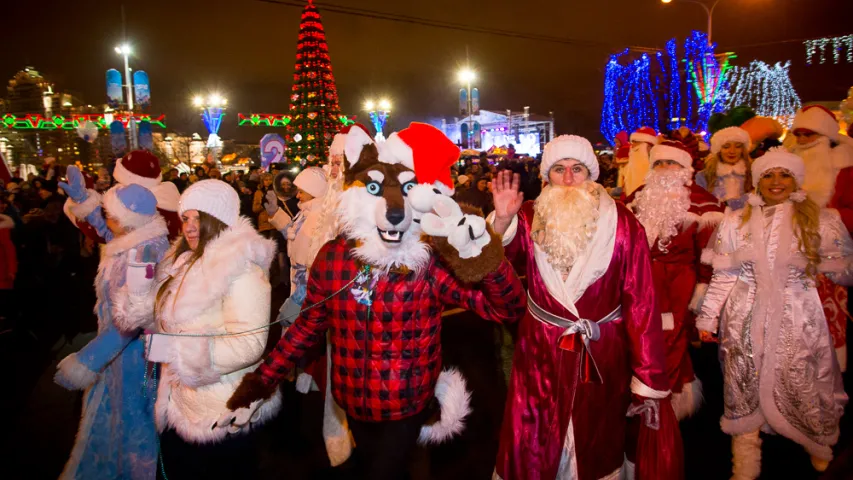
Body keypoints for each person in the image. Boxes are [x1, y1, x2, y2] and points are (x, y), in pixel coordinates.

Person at [222, 123, 527, 480]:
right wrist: (262, 381)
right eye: (376, 190)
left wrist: (484, 252)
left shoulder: (426, 261)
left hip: (408, 403)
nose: (392, 207)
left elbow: (506, 308)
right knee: (372, 465)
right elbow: (307, 326)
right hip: (353, 400)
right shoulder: (335, 258)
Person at [490, 135, 682, 480]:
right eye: (559, 169)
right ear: (546, 176)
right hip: (539, 350)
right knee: (533, 433)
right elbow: (500, 258)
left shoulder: (624, 224)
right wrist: (502, 221)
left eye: (576, 169)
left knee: (596, 435)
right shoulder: (531, 215)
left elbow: (641, 304)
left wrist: (649, 377)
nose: (567, 178)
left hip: (601, 352)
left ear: (590, 175)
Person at [696, 148, 853, 479]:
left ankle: (816, 440)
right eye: (768, 175)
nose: (776, 182)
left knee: (806, 377)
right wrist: (707, 317)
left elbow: (844, 270)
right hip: (743, 317)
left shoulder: (820, 221)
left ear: (796, 179)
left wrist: (824, 263)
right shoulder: (735, 221)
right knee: (742, 380)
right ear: (757, 181)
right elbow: (724, 275)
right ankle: (745, 458)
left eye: (784, 174)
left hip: (798, 316)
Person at [121, 179, 282, 480]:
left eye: (199, 218)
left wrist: (178, 351)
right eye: (185, 218)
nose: (190, 227)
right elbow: (161, 322)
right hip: (182, 405)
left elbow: (249, 345)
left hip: (223, 414)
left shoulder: (242, 270)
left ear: (219, 220)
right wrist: (139, 291)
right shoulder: (181, 262)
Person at [54, 184, 170, 480]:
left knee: (134, 427)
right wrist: (85, 202)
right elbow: (108, 234)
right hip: (116, 355)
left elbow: (133, 320)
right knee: (110, 421)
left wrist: (88, 360)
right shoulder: (133, 238)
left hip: (136, 359)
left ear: (129, 218)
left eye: (111, 214)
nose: (107, 220)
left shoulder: (146, 252)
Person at [626, 141, 724, 419]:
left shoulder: (704, 204)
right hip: (639, 281)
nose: (666, 170)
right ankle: (654, 394)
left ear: (685, 168)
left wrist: (702, 292)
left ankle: (663, 402)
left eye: (673, 164)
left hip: (677, 285)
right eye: (659, 163)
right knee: (640, 339)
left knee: (668, 339)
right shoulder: (638, 197)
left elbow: (710, 254)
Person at [789, 105, 853, 370]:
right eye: (799, 134)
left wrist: (822, 218)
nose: (803, 140)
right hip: (791, 258)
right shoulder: (785, 165)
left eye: (809, 134)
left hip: (830, 261)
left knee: (828, 321)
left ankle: (831, 376)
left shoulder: (845, 169)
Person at [60, 151, 182, 241]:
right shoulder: (168, 199)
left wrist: (83, 203)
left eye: (120, 182)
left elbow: (106, 234)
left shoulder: (135, 208)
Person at [695, 126, 753, 210]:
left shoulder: (752, 174)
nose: (732, 151)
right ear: (719, 149)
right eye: (726, 147)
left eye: (737, 146)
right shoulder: (703, 176)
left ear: (743, 150)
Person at [623, 126, 659, 197]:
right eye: (632, 142)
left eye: (636, 142)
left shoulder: (658, 170)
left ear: (649, 147)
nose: (632, 146)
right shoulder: (628, 169)